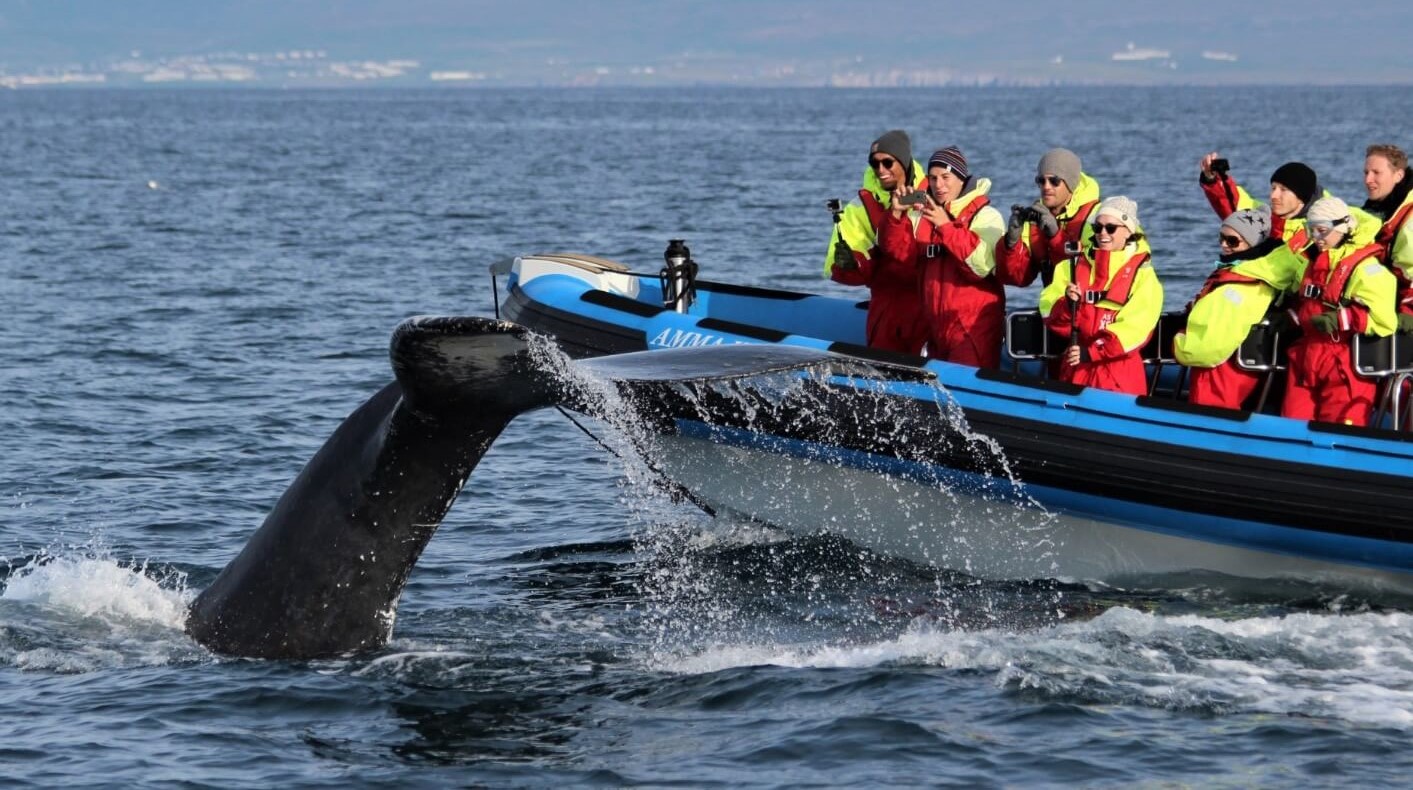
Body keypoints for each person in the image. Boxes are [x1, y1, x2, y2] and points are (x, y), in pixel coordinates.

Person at [876, 146, 1006, 368]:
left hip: (972, 328)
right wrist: (896, 214)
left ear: (961, 178)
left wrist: (946, 226)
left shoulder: (987, 216)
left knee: (964, 393)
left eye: (946, 177)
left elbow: (981, 266)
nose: (938, 185)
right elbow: (896, 251)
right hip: (935, 327)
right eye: (933, 178)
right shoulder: (921, 213)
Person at [1278, 196, 1397, 426]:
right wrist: (1290, 319)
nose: (1316, 238)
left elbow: (1384, 320)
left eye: (1321, 230)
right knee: (1291, 424)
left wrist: (1341, 318)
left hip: (1343, 362)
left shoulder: (1367, 270)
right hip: (1307, 358)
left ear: (1341, 228)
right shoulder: (1315, 262)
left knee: (1337, 431)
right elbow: (1309, 301)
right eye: (1311, 230)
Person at [1039, 196, 1163, 394]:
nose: (1103, 233)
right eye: (1098, 227)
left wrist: (1092, 352)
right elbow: (1048, 310)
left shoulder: (1144, 276)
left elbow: (1135, 329)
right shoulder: (1070, 267)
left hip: (1117, 375)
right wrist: (1067, 305)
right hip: (1076, 366)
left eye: (1111, 228)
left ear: (1128, 231)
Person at [1172, 209, 1295, 409]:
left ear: (1253, 243)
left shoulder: (1241, 286)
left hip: (1219, 371)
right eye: (1221, 238)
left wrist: (1179, 342)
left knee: (1209, 422)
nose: (1223, 245)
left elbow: (1205, 349)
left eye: (1232, 241)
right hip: (1233, 368)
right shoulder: (1251, 275)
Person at [824, 130, 928, 354]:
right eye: (874, 163)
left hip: (929, 311)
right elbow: (839, 266)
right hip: (886, 313)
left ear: (903, 161)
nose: (880, 170)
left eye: (888, 162)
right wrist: (850, 264)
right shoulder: (858, 208)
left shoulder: (935, 194)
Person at [995, 147, 1102, 287]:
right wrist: (1010, 243)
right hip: (1053, 306)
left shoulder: (1096, 218)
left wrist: (1056, 236)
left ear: (1071, 184)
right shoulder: (1035, 220)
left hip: (1087, 304)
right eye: (1041, 181)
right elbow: (1017, 278)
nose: (1046, 187)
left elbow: (1094, 271)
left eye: (1054, 181)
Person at [1197, 155, 1320, 247]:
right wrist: (1212, 178)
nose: (1274, 195)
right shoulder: (1261, 216)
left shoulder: (1316, 233)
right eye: (1273, 188)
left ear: (1301, 198)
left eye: (1283, 189)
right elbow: (1230, 200)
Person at [1361, 144, 1413, 329]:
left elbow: (1410, 272)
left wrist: (1407, 315)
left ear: (1398, 176)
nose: (1368, 179)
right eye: (1366, 172)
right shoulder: (1374, 210)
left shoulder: (1409, 218)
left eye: (1376, 173)